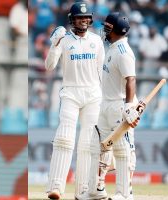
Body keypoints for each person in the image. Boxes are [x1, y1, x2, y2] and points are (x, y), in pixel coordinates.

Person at [45, 1, 105, 199]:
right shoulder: (63, 40)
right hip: (70, 92)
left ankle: (83, 191)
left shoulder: (96, 41)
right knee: (64, 138)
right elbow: (49, 66)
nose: (84, 21)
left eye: (86, 17)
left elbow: (101, 71)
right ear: (72, 20)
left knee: (88, 143)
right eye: (80, 18)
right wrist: (53, 45)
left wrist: (103, 96)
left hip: (93, 94)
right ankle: (56, 187)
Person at [77, 12, 140, 200]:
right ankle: (96, 190)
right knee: (98, 147)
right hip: (106, 103)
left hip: (120, 105)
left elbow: (131, 79)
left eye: (108, 26)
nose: (105, 29)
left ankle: (125, 194)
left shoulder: (124, 52)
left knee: (123, 150)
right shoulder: (112, 47)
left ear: (116, 29)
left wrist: (129, 107)